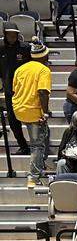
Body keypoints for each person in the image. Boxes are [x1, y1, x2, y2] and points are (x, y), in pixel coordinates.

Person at [12, 38, 52, 188]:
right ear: (43, 57)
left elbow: (15, 89)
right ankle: (33, 177)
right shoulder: (44, 70)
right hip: (33, 111)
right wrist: (45, 112)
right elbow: (42, 92)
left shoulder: (20, 68)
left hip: (19, 108)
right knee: (37, 145)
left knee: (45, 133)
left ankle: (40, 165)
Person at [0, 22, 31, 155]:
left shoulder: (25, 48)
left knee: (32, 119)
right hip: (9, 90)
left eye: (15, 34)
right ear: (5, 34)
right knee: (12, 121)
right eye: (10, 34)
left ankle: (38, 146)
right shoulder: (0, 48)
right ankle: (23, 146)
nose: (13, 37)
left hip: (25, 89)